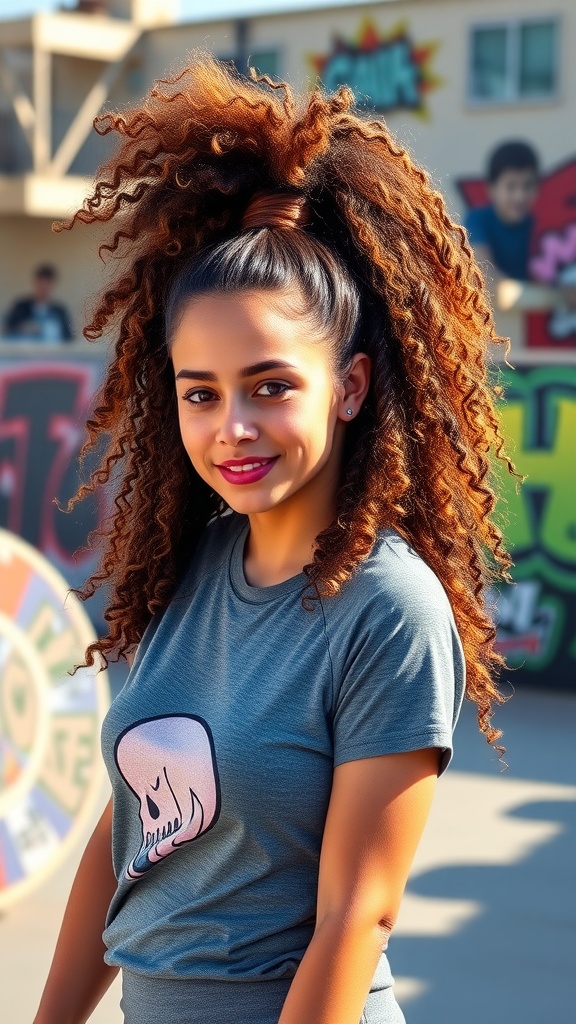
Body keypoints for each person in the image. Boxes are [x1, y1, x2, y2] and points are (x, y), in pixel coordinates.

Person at [34, 54, 514, 1024]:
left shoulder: (389, 607)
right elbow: (127, 835)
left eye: (271, 385)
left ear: (351, 385)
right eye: (200, 393)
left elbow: (355, 914)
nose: (232, 426)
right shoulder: (182, 570)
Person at [465, 140, 539, 283]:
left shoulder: (533, 223)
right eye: (511, 187)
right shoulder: (477, 220)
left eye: (527, 186)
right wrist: (556, 295)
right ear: (491, 189)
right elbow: (487, 279)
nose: (520, 196)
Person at [3, 263, 73, 341]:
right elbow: (8, 329)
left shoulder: (60, 311)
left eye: (47, 286)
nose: (43, 289)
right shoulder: (21, 307)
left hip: (53, 352)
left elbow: (68, 337)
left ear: (52, 285)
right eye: (41, 285)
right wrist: (21, 328)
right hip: (25, 352)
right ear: (35, 283)